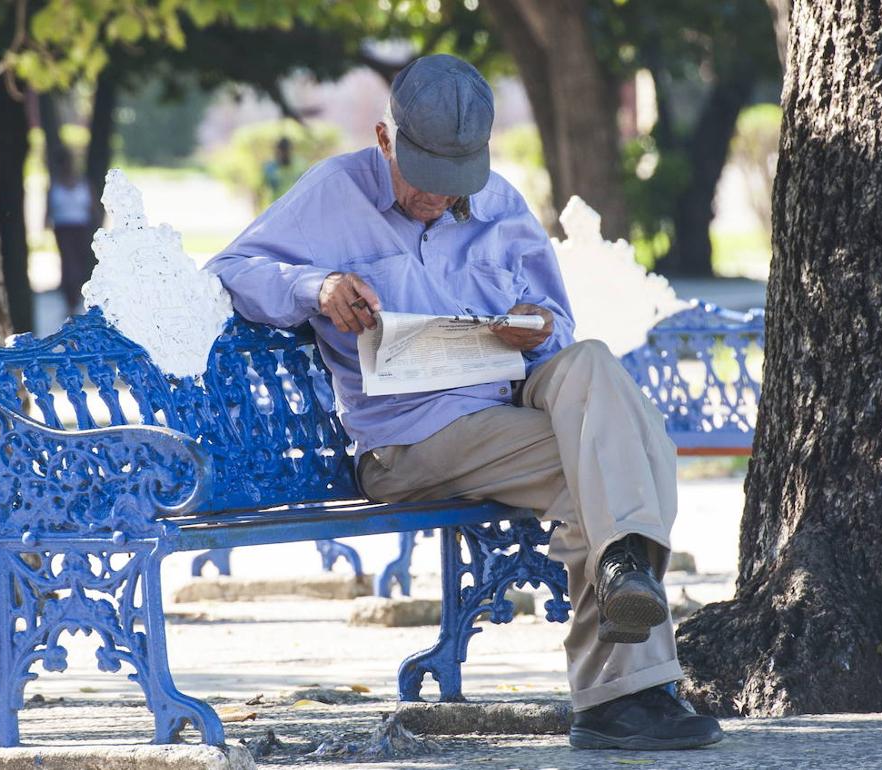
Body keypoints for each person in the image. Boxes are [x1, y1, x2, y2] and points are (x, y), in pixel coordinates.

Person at [205, 54, 724, 751]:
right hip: (412, 438)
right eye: (424, 177)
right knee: (624, 457)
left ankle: (623, 600)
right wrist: (317, 288)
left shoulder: (501, 204)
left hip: (506, 397)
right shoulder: (334, 193)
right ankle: (626, 692)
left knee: (592, 364)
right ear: (385, 140)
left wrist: (536, 325)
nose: (437, 197)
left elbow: (557, 328)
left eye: (456, 181)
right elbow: (230, 270)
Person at [46, 153, 96, 316]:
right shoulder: (54, 186)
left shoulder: (84, 184)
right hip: (63, 228)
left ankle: (75, 296)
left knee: (78, 263)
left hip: (81, 228)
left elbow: (93, 207)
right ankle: (71, 299)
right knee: (69, 263)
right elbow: (48, 209)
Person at [260, 136, 297, 209]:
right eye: (283, 151)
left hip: (294, 206)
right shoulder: (270, 168)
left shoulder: (300, 164)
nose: (285, 154)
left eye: (287, 150)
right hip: (277, 207)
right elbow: (263, 188)